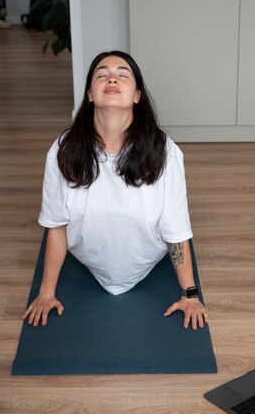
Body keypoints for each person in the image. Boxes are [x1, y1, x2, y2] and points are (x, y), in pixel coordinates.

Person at [21, 51, 208, 330]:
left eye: (123, 74)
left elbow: (176, 228)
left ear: (137, 96)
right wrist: (46, 292)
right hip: (88, 258)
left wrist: (190, 294)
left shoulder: (165, 151)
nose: (111, 78)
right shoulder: (63, 149)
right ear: (90, 95)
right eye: (102, 74)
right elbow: (56, 224)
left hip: (146, 258)